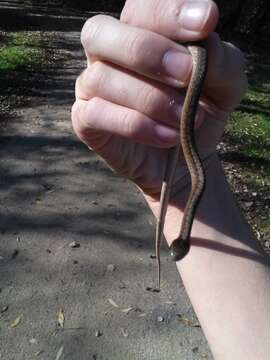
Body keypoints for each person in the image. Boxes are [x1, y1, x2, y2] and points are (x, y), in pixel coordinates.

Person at [72, 0, 270, 358]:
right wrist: (178, 183)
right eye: (181, 246)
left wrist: (180, 182)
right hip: (186, 170)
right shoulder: (191, 178)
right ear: (182, 239)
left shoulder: (191, 178)